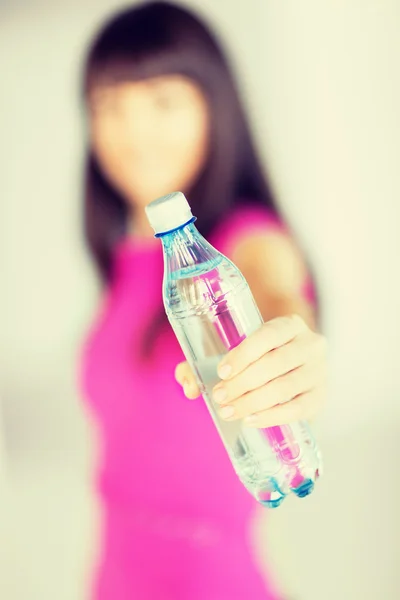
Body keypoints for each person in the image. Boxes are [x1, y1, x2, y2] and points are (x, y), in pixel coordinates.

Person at [80, 3, 327, 599]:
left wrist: (289, 351)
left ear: (215, 108)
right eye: (112, 105)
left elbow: (275, 294)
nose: (133, 134)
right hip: (114, 577)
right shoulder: (128, 251)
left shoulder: (247, 240)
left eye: (163, 101)